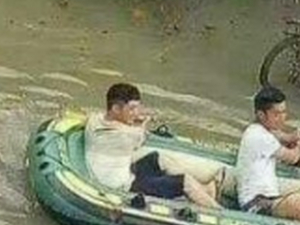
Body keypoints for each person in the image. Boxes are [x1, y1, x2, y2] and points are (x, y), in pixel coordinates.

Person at [85, 82, 220, 210]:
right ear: (115, 109)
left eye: (137, 108)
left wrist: (131, 121)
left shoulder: (95, 119)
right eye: (132, 109)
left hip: (123, 174)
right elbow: (139, 138)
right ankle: (219, 212)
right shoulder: (125, 136)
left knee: (158, 158)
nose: (137, 113)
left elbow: (123, 129)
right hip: (123, 188)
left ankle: (203, 190)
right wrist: (142, 124)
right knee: (184, 181)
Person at [235, 86, 300, 222]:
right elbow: (293, 158)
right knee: (295, 201)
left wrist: (291, 138)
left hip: (274, 200)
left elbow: (281, 136)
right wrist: (298, 142)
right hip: (255, 204)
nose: (283, 118)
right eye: (276, 114)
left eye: (284, 113)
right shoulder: (258, 135)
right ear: (261, 115)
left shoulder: (266, 131)